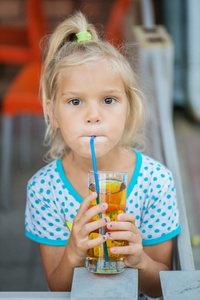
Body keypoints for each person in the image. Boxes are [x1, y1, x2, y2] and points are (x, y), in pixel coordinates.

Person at [25, 12, 181, 299]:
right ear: (52, 113)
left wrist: (140, 260)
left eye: (109, 100)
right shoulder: (44, 190)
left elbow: (162, 287)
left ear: (129, 108)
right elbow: (58, 288)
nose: (93, 116)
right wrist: (73, 252)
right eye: (75, 101)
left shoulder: (156, 181)